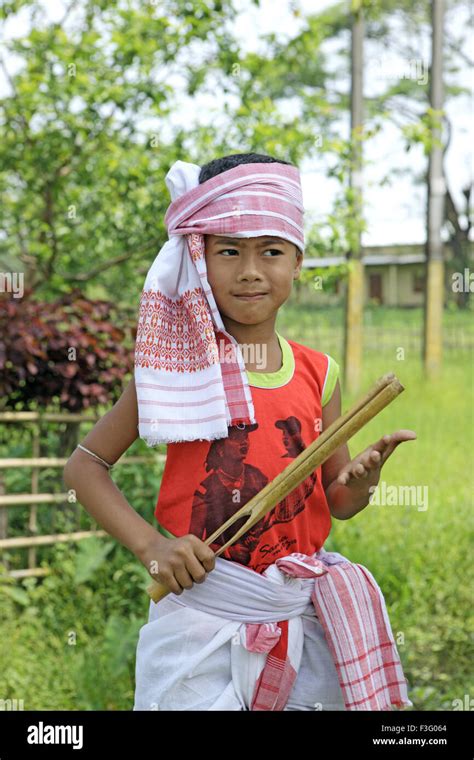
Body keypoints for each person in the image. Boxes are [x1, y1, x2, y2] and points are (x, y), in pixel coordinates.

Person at [63, 152, 417, 711]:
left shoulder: (319, 374)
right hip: (200, 620)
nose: (250, 270)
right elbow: (84, 466)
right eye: (229, 251)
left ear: (298, 260)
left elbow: (339, 502)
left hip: (295, 613)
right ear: (199, 258)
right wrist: (151, 547)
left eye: (270, 251)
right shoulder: (175, 367)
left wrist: (363, 481)